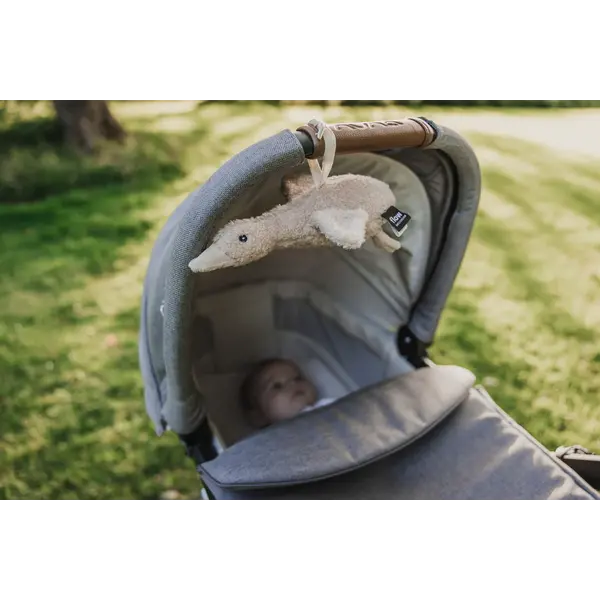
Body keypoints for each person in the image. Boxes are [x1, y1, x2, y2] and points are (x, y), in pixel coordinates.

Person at [240, 358, 338, 428]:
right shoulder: (273, 443)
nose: (293, 384)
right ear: (259, 416)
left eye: (298, 378)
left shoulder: (329, 407)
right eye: (277, 386)